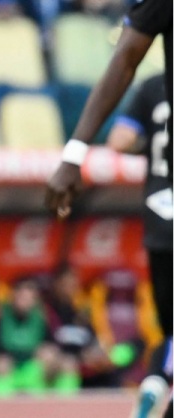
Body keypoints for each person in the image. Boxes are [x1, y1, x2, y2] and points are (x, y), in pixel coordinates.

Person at [45, 1, 172, 416]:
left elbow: (125, 62)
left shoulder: (151, 89)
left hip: (163, 211)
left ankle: (157, 381)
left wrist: (75, 152)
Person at [106, 72, 172, 418]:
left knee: (170, 330)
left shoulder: (152, 86)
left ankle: (154, 383)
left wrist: (151, 147)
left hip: (160, 220)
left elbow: (119, 140)